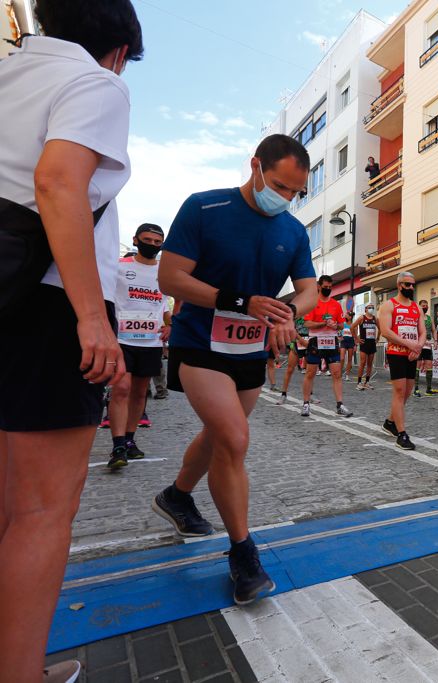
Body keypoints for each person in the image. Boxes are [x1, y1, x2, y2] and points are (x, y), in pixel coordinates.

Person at [0, 1, 142, 679]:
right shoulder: (97, 82)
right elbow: (59, 183)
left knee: (8, 503)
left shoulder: (8, 73)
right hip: (44, 305)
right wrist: (93, 316)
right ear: (118, 50)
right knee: (42, 509)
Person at [152, 134, 317, 606]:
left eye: (295, 193)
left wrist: (288, 312)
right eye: (280, 186)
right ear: (256, 167)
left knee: (220, 436)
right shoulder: (204, 208)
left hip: (248, 354)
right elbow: (170, 278)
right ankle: (243, 554)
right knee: (234, 438)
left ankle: (177, 496)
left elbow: (307, 289)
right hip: (199, 344)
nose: (284, 199)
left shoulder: (294, 231)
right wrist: (239, 301)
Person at [107, 224, 172, 469]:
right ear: (135, 240)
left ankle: (131, 440)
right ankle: (118, 445)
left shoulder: (165, 271)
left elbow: (163, 305)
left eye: (158, 242)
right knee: (121, 388)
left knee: (139, 392)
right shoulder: (120, 266)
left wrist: (170, 325)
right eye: (148, 240)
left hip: (151, 341)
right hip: (121, 339)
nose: (153, 245)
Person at [377, 272, 425, 450]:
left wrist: (418, 347)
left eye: (413, 284)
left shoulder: (416, 308)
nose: (411, 288)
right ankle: (402, 434)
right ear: (399, 285)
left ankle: (390, 422)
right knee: (399, 392)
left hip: (412, 355)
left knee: (407, 393)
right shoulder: (388, 306)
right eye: (407, 284)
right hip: (396, 352)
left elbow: (423, 332)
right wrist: (410, 345)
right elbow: (386, 331)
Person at [301, 275, 353, 417]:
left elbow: (342, 324)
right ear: (319, 286)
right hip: (316, 341)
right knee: (310, 373)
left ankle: (340, 405)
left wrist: (336, 325)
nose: (328, 289)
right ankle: (306, 403)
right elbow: (306, 323)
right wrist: (324, 323)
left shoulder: (336, 304)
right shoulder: (312, 302)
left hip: (331, 341)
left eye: (330, 287)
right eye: (325, 287)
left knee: (336, 373)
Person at [275, 316, 308, 404]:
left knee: (310, 371)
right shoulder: (298, 311)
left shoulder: (313, 310)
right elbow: (291, 327)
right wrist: (298, 340)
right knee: (289, 369)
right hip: (297, 340)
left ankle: (310, 394)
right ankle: (283, 394)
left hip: (309, 341)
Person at [414, 299, 437, 397]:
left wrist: (435, 341)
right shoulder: (416, 317)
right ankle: (416, 389)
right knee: (417, 366)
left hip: (428, 345)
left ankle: (428, 388)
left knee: (429, 366)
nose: (425, 307)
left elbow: (434, 330)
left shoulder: (429, 318)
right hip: (418, 344)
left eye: (426, 305)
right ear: (419, 307)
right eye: (423, 305)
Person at [354, 303, 378, 390]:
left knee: (370, 364)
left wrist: (378, 337)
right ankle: (359, 382)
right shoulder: (362, 318)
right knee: (362, 363)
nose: (371, 308)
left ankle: (367, 382)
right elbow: (352, 327)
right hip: (364, 343)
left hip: (372, 344)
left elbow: (380, 328)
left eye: (372, 307)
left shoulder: (375, 319)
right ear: (366, 309)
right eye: (369, 307)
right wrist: (357, 339)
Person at [339, 313, 356, 381]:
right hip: (343, 341)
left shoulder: (354, 325)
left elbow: (355, 336)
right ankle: (340, 373)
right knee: (342, 358)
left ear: (350, 317)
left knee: (349, 359)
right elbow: (339, 331)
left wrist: (355, 345)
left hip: (351, 342)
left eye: (347, 315)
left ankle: (347, 375)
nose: (345, 316)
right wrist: (339, 337)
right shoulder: (343, 324)